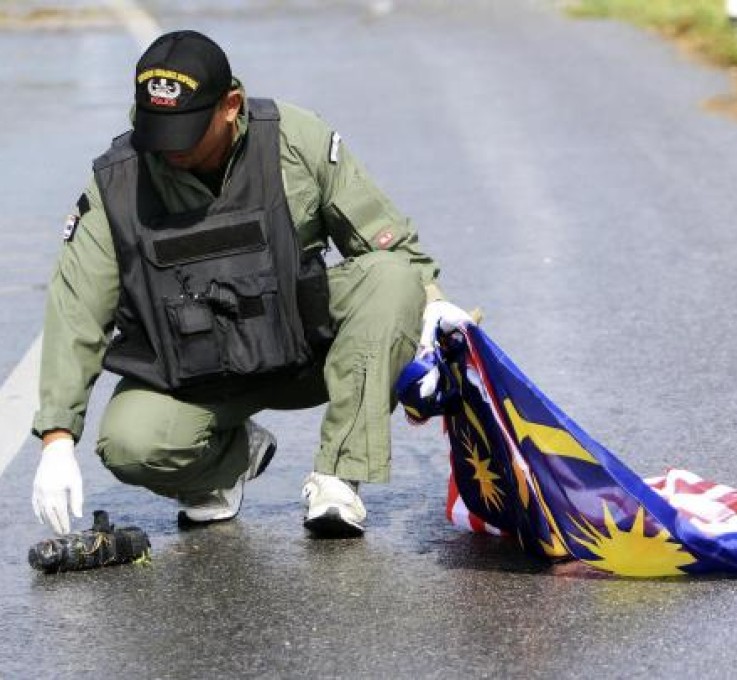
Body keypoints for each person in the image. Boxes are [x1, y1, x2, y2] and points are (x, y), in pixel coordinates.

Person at [29, 30, 471, 538]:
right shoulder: (118, 184)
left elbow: (388, 245)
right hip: (194, 374)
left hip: (304, 352)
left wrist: (434, 312)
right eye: (158, 130)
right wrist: (57, 438)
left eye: (185, 131)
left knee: (391, 279)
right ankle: (227, 464)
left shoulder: (293, 141)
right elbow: (76, 311)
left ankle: (338, 477)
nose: (169, 148)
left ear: (231, 105)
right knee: (130, 443)